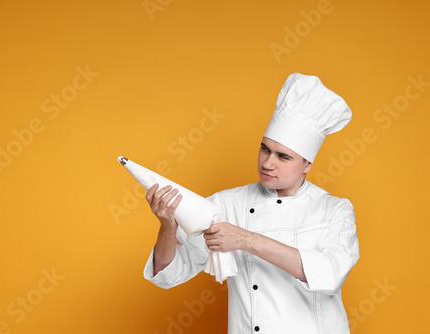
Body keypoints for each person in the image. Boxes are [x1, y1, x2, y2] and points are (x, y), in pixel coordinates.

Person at [143, 73, 360, 333]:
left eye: (283, 156)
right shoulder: (225, 204)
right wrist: (167, 227)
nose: (268, 163)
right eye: (265, 149)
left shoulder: (334, 210)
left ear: (307, 164)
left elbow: (329, 274)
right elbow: (170, 274)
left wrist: (246, 240)